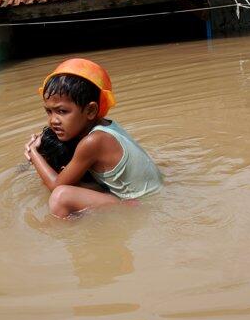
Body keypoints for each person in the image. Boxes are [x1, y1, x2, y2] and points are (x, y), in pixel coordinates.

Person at [24, 58, 162, 218]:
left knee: (60, 197)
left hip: (140, 206)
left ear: (90, 110)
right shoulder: (106, 127)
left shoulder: (93, 142)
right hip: (151, 196)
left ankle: (69, 235)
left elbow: (55, 185)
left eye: (62, 111)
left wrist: (34, 153)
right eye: (49, 111)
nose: (53, 120)